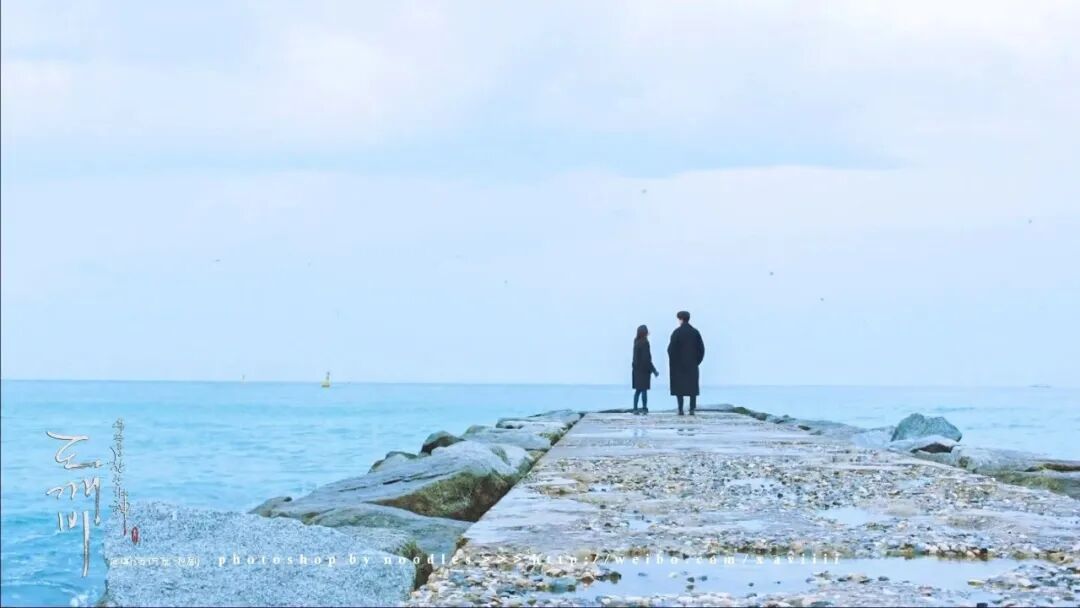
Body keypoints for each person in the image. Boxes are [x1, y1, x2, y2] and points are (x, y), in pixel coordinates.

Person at [667, 310, 705, 415]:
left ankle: (680, 409)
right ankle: (692, 409)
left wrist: (674, 361)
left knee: (679, 389)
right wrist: (696, 361)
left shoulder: (676, 332)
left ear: (681, 319)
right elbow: (701, 349)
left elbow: (670, 349)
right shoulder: (695, 332)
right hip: (692, 364)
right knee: (692, 388)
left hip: (678, 366)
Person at [631, 324, 659, 415]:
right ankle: (644, 408)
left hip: (636, 370)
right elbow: (646, 359)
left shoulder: (636, 342)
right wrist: (654, 370)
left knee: (638, 390)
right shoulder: (645, 343)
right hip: (643, 370)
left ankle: (635, 408)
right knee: (644, 390)